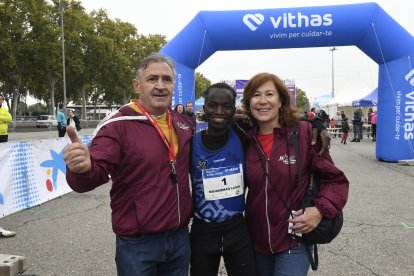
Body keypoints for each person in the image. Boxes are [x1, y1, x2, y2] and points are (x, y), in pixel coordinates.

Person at [63, 53, 193, 276]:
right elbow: (95, 172)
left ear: (174, 85)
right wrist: (83, 168)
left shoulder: (183, 123)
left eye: (167, 79)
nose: (160, 86)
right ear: (137, 85)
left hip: (179, 238)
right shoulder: (117, 125)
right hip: (138, 244)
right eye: (152, 79)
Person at [241, 72, 349, 276]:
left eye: (269, 94)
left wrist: (319, 210)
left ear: (281, 100)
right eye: (256, 95)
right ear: (248, 103)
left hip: (295, 238)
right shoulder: (245, 139)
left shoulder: (305, 134)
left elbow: (335, 180)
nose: (262, 101)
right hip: (256, 241)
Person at [190, 83, 256, 276]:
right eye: (212, 105)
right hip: (203, 230)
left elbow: (278, 123)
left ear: (233, 110)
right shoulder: (191, 143)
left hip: (237, 227)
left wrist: (316, 124)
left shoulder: (242, 135)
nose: (219, 111)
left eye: (226, 106)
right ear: (204, 109)